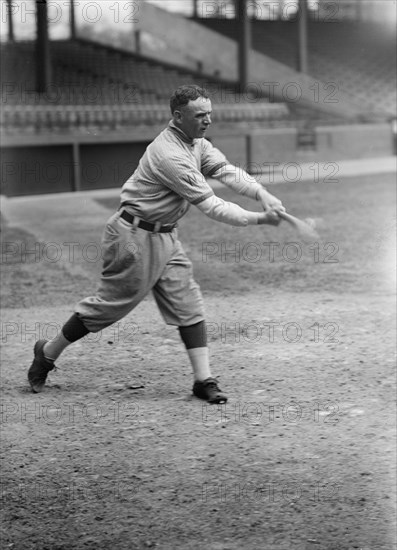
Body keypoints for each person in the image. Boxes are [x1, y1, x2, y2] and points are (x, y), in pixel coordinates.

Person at [28, 85, 285, 404]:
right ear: (178, 116)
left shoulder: (196, 142)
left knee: (188, 300)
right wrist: (261, 219)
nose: (207, 121)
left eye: (209, 114)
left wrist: (263, 194)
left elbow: (227, 172)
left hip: (165, 235)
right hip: (132, 235)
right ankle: (48, 353)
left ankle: (203, 380)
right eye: (199, 115)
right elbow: (213, 207)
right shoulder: (170, 154)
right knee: (111, 305)